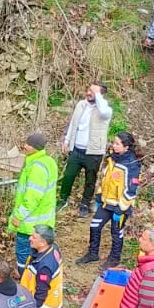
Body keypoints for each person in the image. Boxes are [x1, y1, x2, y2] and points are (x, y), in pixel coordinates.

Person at [77, 131, 140, 269]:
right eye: (114, 142)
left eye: (117, 144)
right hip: (106, 204)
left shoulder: (131, 165)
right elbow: (104, 179)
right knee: (94, 226)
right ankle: (93, 253)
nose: (114, 146)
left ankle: (114, 259)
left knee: (116, 233)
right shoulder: (111, 158)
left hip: (120, 207)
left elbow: (131, 190)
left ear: (126, 147)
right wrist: (99, 196)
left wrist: (121, 208)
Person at [58, 83, 113, 215]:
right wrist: (67, 140)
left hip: (93, 152)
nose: (89, 93)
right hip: (76, 150)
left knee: (90, 180)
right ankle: (62, 199)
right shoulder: (81, 105)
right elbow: (73, 123)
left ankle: (85, 204)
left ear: (100, 95)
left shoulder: (105, 110)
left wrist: (98, 95)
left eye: (93, 92)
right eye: (89, 90)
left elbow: (104, 113)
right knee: (68, 176)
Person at [8, 133, 57, 274]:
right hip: (44, 221)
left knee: (23, 255)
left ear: (35, 148)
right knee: (39, 254)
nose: (25, 146)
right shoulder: (48, 161)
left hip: (29, 224)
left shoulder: (36, 168)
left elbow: (32, 198)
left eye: (28, 144)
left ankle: (26, 280)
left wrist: (18, 216)